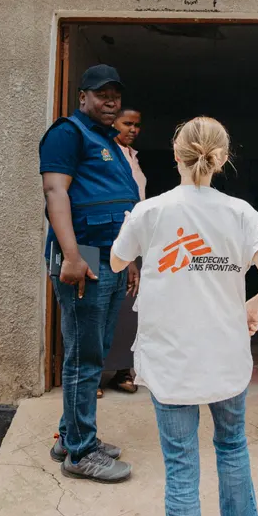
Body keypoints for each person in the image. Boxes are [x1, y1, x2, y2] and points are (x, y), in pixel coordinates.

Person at [110, 116, 258, 516]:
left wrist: (131, 232)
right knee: (232, 447)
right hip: (226, 355)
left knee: (181, 462)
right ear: (222, 159)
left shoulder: (148, 211)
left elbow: (118, 261)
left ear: (176, 155)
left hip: (170, 358)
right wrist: (251, 307)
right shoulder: (241, 213)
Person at [39, 64, 141, 483]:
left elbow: (119, 204)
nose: (111, 101)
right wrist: (71, 256)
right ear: (82, 97)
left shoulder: (107, 139)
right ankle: (80, 453)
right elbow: (55, 191)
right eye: (102, 94)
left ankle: (70, 436)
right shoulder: (67, 133)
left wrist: (129, 257)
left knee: (93, 350)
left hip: (110, 256)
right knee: (85, 356)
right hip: (83, 255)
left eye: (115, 94)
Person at [101, 107, 146, 396]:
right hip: (107, 240)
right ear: (112, 122)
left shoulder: (133, 156)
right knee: (100, 309)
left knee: (129, 310)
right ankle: (92, 377)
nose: (133, 129)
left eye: (137, 125)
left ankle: (122, 372)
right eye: (127, 123)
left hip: (134, 239)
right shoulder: (105, 154)